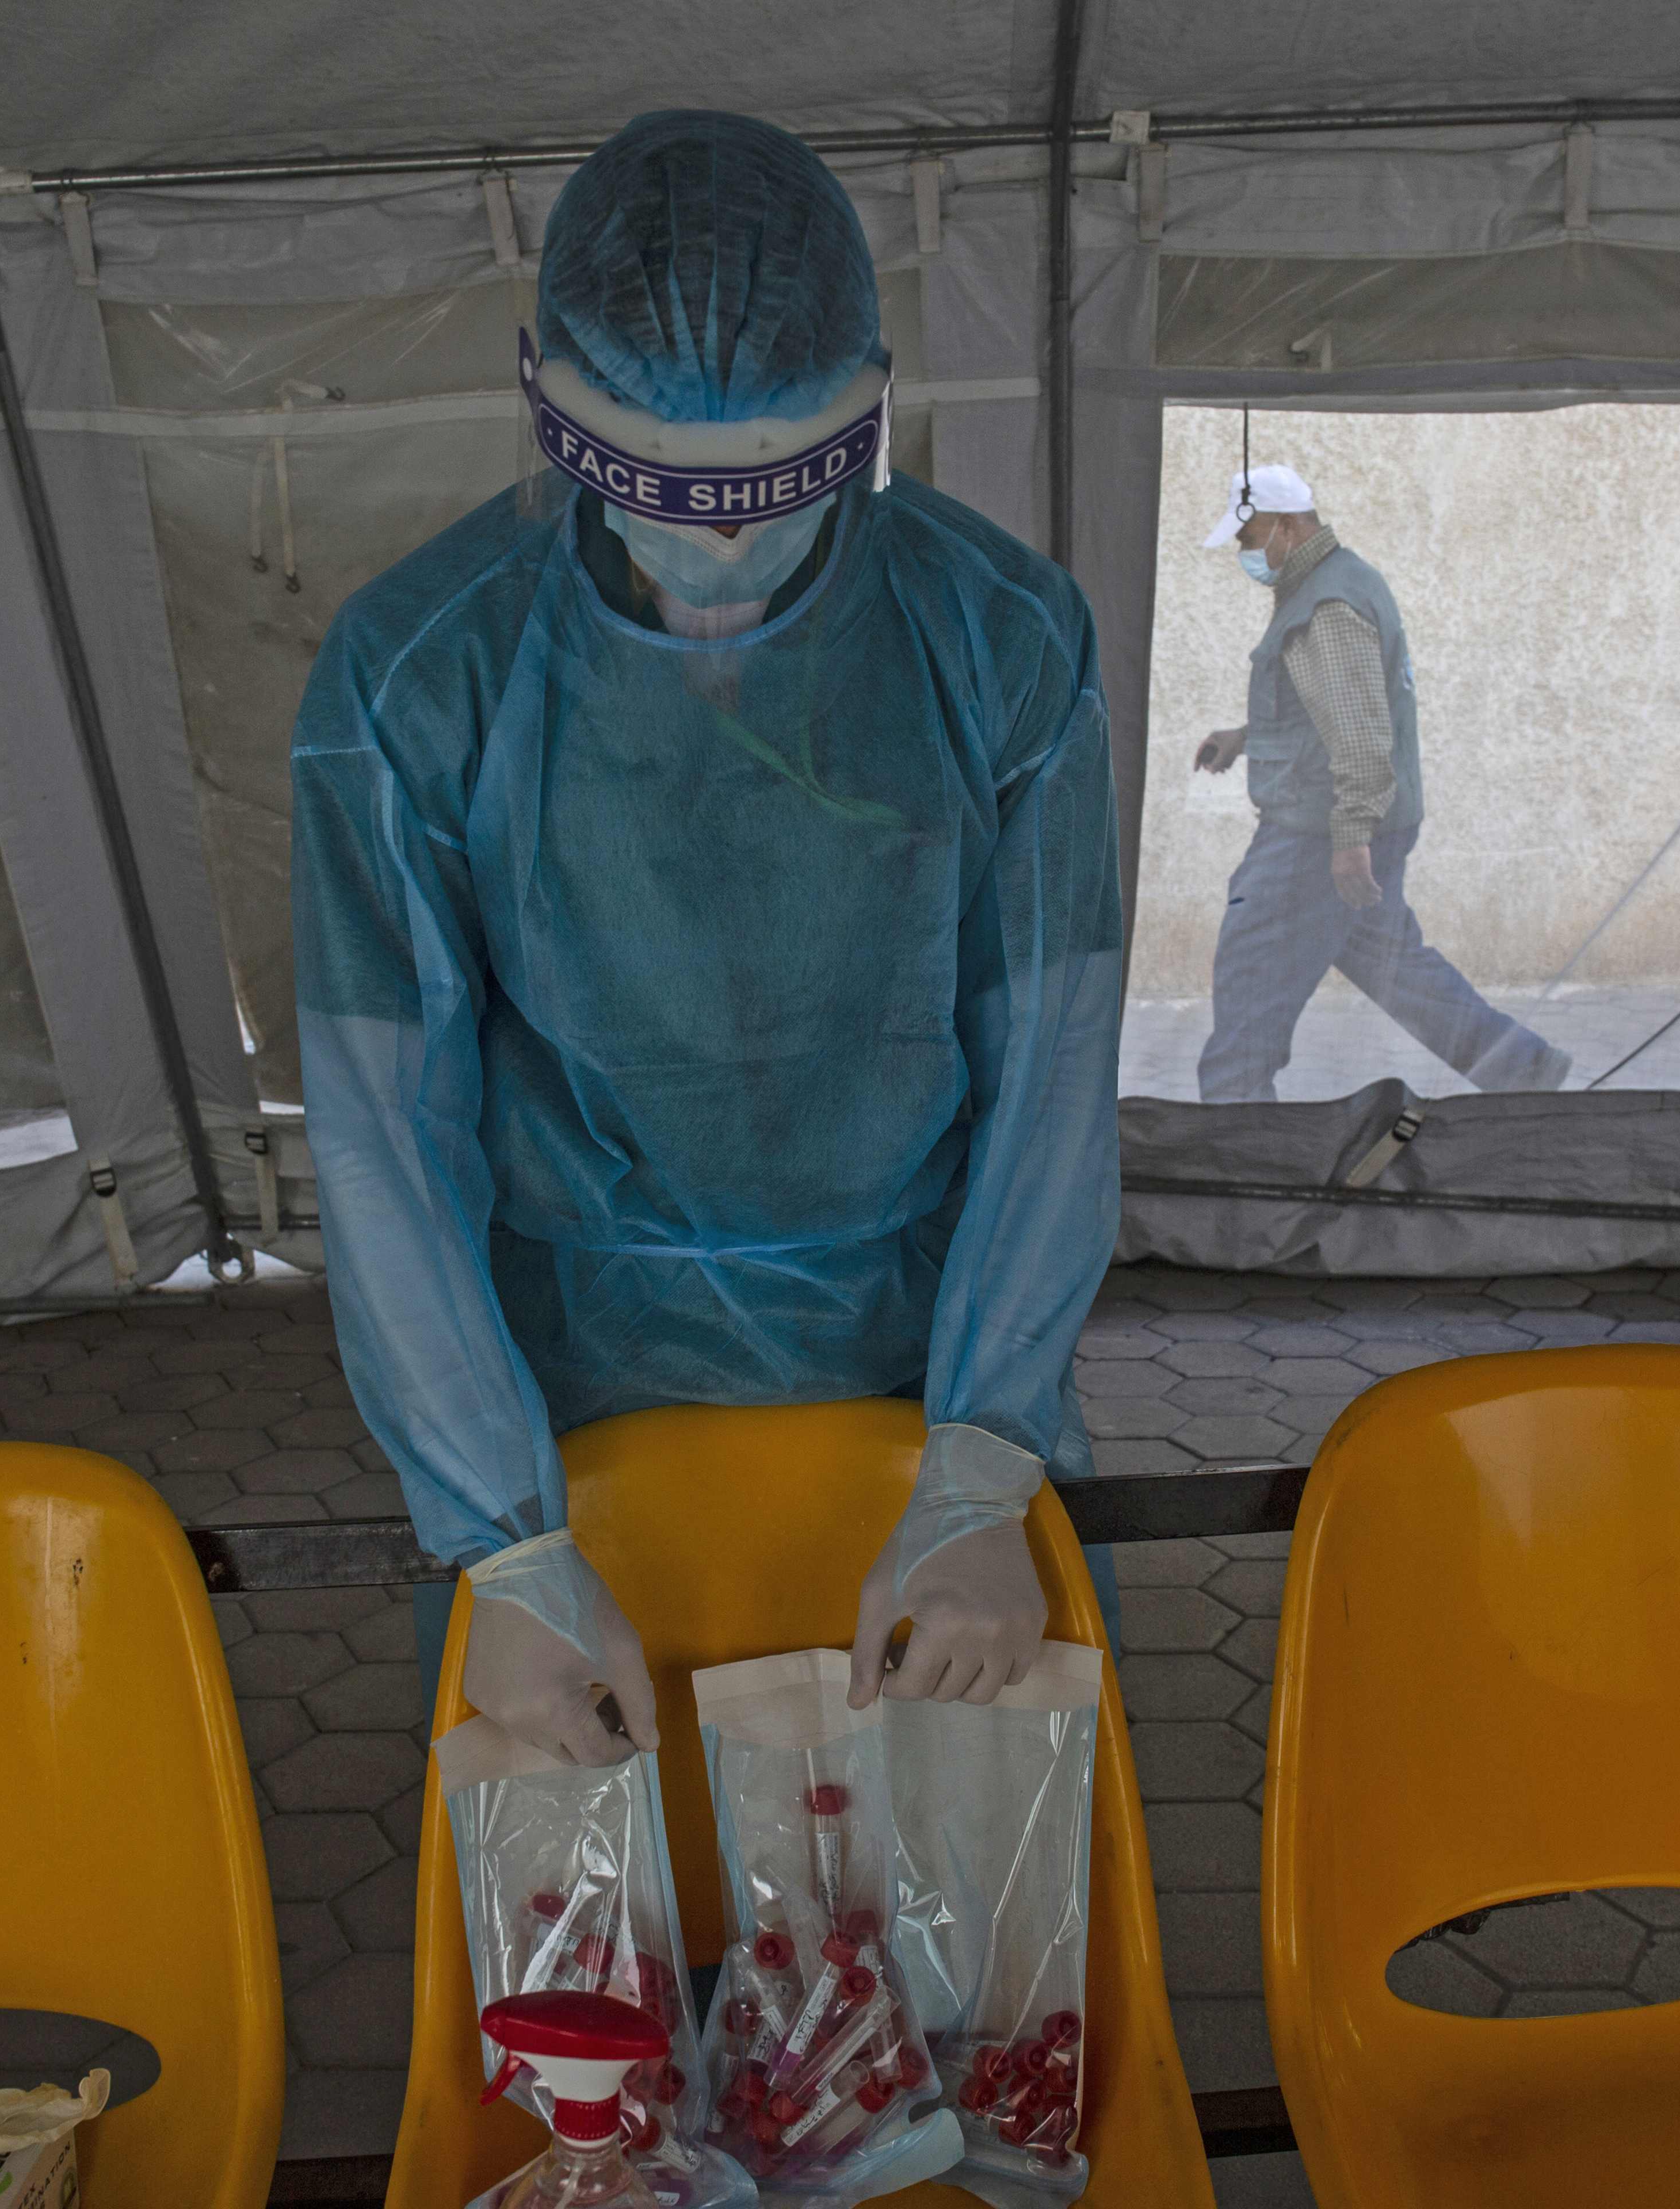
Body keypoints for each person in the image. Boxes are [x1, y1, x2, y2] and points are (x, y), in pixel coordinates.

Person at [293, 112, 1122, 1767]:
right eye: (675, 499)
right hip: (577, 1412)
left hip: (927, 1368)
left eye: (781, 493)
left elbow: (1052, 1075)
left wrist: (979, 1468)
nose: (728, 553)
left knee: (949, 1950)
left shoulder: (997, 635)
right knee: (611, 1949)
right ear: (547, 418)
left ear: (872, 412)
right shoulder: (419, 674)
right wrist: (507, 1539)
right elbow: (387, 1137)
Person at [1191, 464, 1570, 1102]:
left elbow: (1361, 732)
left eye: (1249, 537)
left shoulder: (1326, 604)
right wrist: (1248, 735)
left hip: (1318, 834)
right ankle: (1521, 1070)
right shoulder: (1343, 578)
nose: (1244, 552)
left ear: (1286, 526)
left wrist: (1350, 838)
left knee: (1252, 966)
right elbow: (1334, 706)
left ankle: (1235, 1123)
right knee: (1390, 962)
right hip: (1362, 821)